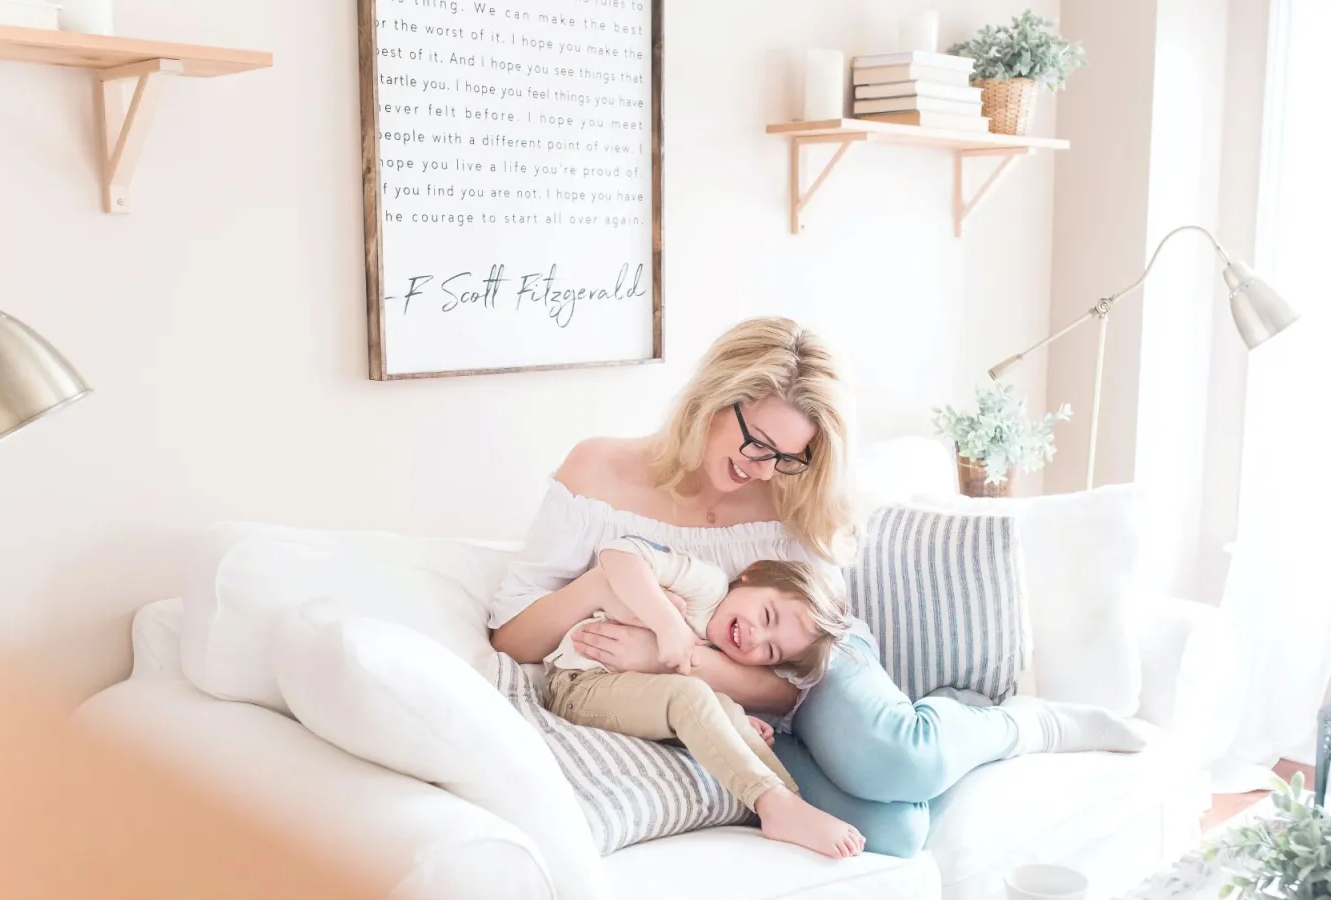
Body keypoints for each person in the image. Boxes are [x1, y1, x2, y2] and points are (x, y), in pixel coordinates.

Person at [489, 316, 1144, 858]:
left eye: (785, 456)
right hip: (722, 700)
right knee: (894, 834)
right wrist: (606, 587)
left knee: (900, 761)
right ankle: (939, 733)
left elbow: (790, 675)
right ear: (713, 400)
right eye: (756, 443)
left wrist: (679, 655)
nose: (761, 469)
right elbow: (511, 636)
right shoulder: (598, 471)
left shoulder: (788, 494)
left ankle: (1018, 726)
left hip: (808, 655)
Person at [543, 535, 862, 858]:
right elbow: (618, 552)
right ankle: (772, 803)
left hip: (629, 698)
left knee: (725, 707)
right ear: (752, 575)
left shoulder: (724, 653)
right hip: (579, 684)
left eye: (770, 650)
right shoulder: (706, 586)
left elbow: (673, 697)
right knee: (692, 694)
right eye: (767, 616)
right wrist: (668, 625)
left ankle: (788, 802)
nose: (756, 637)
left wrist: (732, 721)